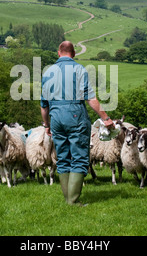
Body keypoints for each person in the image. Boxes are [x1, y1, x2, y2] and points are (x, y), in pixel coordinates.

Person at [40, 41, 114, 206]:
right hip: (75, 116)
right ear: (73, 53)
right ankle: (73, 201)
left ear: (59, 53)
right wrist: (105, 118)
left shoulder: (47, 72)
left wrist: (47, 125)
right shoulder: (79, 69)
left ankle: (68, 199)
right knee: (79, 158)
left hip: (55, 118)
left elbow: (43, 105)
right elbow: (90, 98)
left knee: (63, 158)